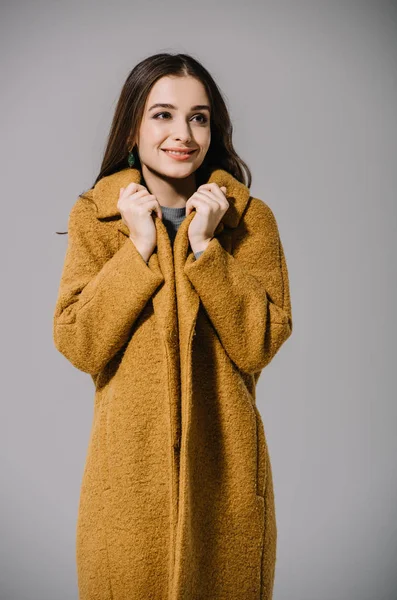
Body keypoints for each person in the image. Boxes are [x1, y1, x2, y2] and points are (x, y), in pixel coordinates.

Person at [53, 52, 293, 600]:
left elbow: (259, 342)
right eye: (162, 114)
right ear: (133, 125)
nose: (182, 133)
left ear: (215, 128)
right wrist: (137, 248)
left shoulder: (249, 220)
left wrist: (207, 247)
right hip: (126, 488)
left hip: (228, 484)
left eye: (199, 117)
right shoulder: (96, 215)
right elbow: (79, 341)